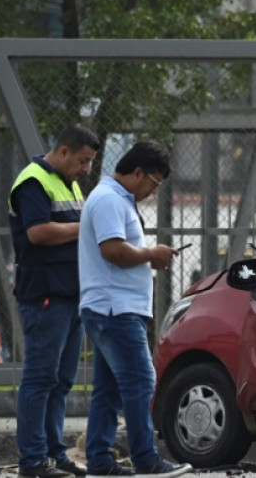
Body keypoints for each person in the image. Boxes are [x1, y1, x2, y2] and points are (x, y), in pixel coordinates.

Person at [78, 141, 192, 478]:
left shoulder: (114, 199)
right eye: (153, 183)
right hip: (116, 310)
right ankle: (147, 460)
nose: (152, 192)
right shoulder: (110, 199)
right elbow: (112, 250)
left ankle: (99, 461)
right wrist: (150, 254)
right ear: (137, 172)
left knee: (110, 389)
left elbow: (120, 251)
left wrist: (148, 256)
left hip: (112, 308)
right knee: (141, 381)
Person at [9, 125, 101, 478]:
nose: (86, 169)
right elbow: (38, 232)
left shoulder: (69, 182)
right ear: (64, 152)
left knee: (61, 380)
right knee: (40, 378)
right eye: (83, 161)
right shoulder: (33, 180)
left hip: (69, 295)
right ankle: (32, 460)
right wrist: (85, 226)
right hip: (45, 296)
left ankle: (52, 453)